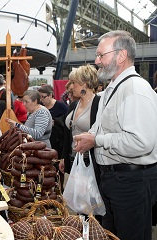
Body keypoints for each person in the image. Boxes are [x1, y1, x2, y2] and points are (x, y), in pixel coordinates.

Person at [74, 30, 157, 240]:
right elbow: (103, 127)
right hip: (114, 179)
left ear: (121, 55)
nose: (96, 60)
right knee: (112, 235)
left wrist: (96, 140)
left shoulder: (136, 89)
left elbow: (141, 142)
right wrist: (89, 137)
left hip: (131, 181)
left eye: (101, 55)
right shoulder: (113, 89)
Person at [58, 64, 101, 187]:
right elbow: (67, 135)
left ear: (85, 83)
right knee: (71, 202)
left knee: (88, 203)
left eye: (74, 82)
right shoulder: (73, 105)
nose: (71, 87)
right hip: (72, 161)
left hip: (89, 163)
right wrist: (64, 157)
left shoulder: (98, 104)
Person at [38, 84, 68, 158]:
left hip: (58, 142)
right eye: (40, 97)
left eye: (43, 97)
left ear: (50, 95)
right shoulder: (40, 106)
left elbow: (66, 124)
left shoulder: (62, 107)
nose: (41, 100)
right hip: (43, 141)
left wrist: (55, 123)